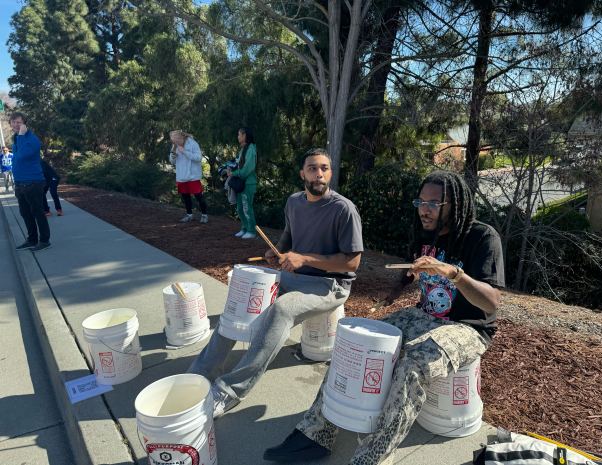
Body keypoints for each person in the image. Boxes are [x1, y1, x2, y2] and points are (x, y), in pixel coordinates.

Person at [264, 170, 505, 465]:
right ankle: (315, 434)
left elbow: (491, 303)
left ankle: (372, 457)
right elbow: (411, 271)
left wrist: (452, 272)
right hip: (426, 315)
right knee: (357, 340)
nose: (424, 210)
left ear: (455, 205)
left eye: (433, 204)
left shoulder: (482, 237)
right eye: (421, 202)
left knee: (413, 361)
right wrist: (394, 294)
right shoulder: (425, 235)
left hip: (468, 327)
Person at [188, 148, 364, 417]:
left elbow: (351, 264)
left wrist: (303, 259)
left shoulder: (343, 209)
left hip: (330, 285)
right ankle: (200, 373)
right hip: (294, 276)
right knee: (245, 293)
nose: (319, 173)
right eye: (313, 168)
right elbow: (288, 238)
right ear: (302, 173)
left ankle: (231, 391)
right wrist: (277, 252)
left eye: (325, 168)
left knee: (282, 308)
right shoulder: (294, 202)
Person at [10, 112, 51, 252]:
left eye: (19, 122)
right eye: (13, 122)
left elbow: (21, 156)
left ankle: (44, 240)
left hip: (33, 183)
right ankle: (32, 239)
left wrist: (21, 136)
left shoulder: (31, 139)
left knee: (38, 212)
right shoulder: (16, 139)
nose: (16, 125)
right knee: (25, 213)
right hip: (20, 183)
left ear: (25, 124)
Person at [169, 130, 208, 224]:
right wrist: (173, 156)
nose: (175, 143)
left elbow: (198, 158)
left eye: (176, 140)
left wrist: (185, 152)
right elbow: (172, 161)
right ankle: (189, 215)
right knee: (185, 197)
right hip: (181, 176)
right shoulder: (175, 146)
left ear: (180, 137)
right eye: (173, 141)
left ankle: (204, 215)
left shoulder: (193, 143)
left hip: (193, 176)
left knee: (198, 196)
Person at [229, 127, 258, 239]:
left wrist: (235, 173)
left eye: (239, 134)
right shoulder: (243, 149)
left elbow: (248, 168)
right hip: (241, 183)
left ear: (245, 135)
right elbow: (238, 164)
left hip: (248, 183)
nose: (238, 137)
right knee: (240, 208)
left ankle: (251, 231)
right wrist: (230, 169)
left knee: (247, 207)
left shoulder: (251, 149)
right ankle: (244, 228)